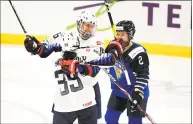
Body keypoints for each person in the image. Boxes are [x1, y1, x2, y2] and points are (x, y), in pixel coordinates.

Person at [23, 11, 103, 124]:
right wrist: (35, 47)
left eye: (92, 27)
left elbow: (96, 69)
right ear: (79, 24)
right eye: (87, 25)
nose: (89, 30)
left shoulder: (97, 43)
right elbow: (44, 49)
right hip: (66, 97)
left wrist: (78, 67)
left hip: (88, 89)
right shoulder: (65, 37)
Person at [87, 20, 150, 124]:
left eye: (123, 34)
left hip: (135, 92)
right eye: (118, 34)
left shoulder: (138, 52)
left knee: (134, 122)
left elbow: (143, 75)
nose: (119, 37)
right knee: (110, 118)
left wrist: (138, 92)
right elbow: (104, 61)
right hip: (119, 91)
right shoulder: (113, 46)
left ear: (130, 35)